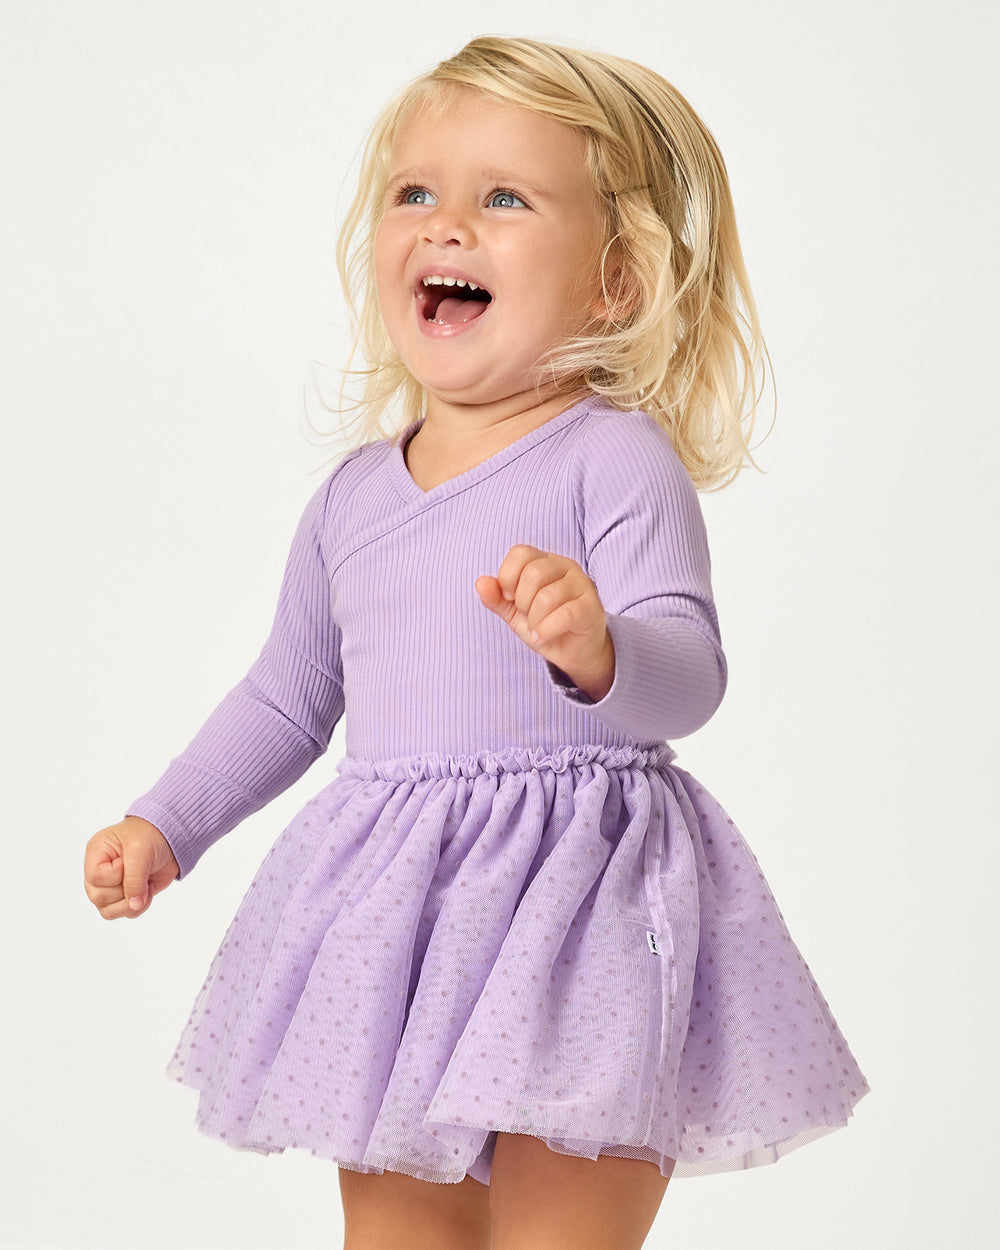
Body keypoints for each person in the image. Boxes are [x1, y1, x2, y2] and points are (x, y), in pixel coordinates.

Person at [83, 35, 868, 1250]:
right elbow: (290, 700)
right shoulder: (351, 499)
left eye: (503, 197)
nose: (447, 223)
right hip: (393, 914)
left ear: (614, 282)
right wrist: (167, 819)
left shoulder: (614, 455)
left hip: (580, 904)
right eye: (416, 193)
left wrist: (598, 648)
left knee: (559, 1234)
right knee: (400, 1235)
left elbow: (691, 673)